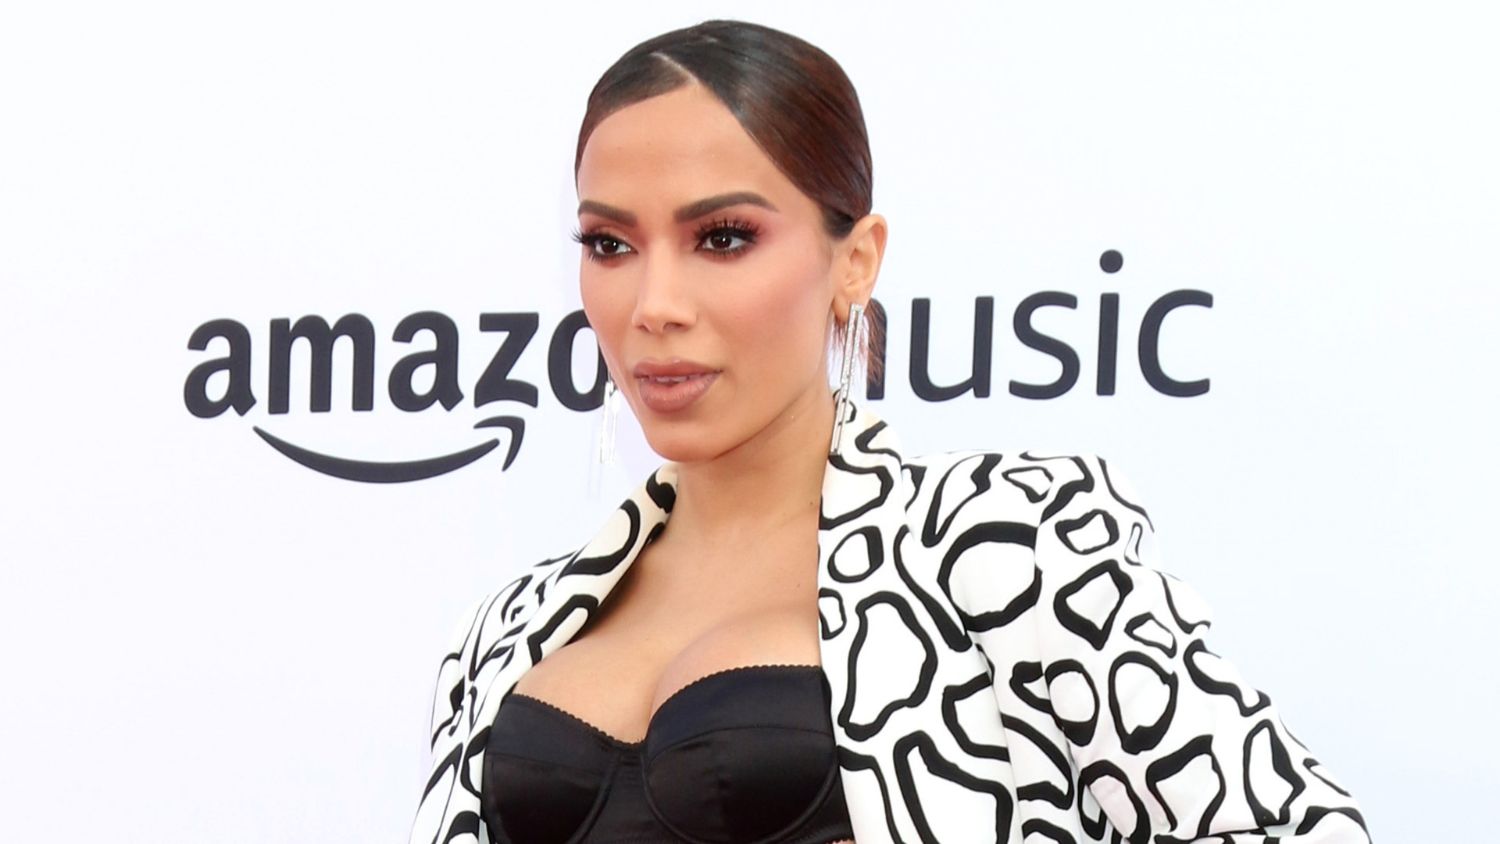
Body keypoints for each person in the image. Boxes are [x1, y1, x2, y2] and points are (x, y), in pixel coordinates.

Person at [408, 18, 1370, 844]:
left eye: (723, 238)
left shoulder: (1001, 543)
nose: (654, 303)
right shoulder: (508, 629)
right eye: (610, 244)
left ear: (856, 261)